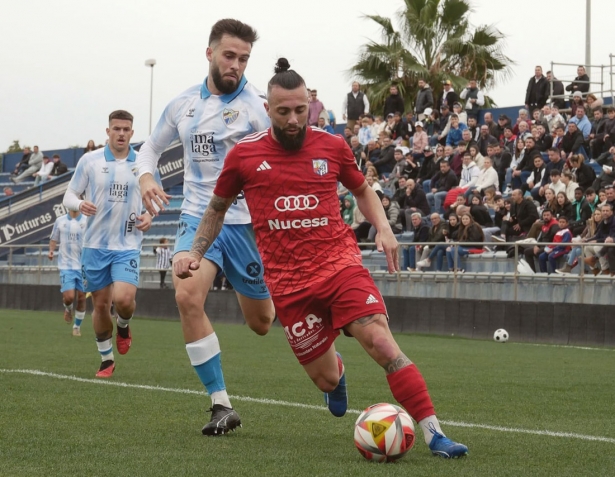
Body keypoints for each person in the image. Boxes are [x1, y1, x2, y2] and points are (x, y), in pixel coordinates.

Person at [175, 59, 468, 458]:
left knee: (381, 343)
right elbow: (217, 208)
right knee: (327, 380)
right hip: (290, 285)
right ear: (268, 109)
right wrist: (195, 252)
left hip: (339, 265)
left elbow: (363, 190)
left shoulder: (331, 146)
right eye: (284, 112)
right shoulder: (244, 156)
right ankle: (338, 372)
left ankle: (435, 434)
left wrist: (383, 228)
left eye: (300, 110)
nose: (294, 119)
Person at [136, 19, 276, 435]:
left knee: (262, 322)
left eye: (244, 58)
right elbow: (151, 149)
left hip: (247, 224)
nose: (236, 64)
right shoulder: (182, 105)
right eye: (229, 55)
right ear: (210, 52)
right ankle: (220, 403)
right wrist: (146, 177)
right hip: (198, 216)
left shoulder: (258, 108)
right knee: (186, 295)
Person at [63, 109, 152, 378]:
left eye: (126, 129)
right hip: (95, 247)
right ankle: (106, 359)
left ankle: (123, 325)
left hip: (127, 245)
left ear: (132, 133)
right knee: (100, 305)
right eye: (116, 129)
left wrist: (149, 215)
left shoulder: (143, 163)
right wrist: (79, 203)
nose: (121, 133)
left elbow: (153, 198)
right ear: (108, 131)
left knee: (124, 300)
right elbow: (69, 194)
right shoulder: (89, 161)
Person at [48, 209, 88, 336]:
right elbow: (53, 238)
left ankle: (77, 327)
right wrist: (51, 251)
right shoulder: (60, 221)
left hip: (83, 266)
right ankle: (68, 308)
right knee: (69, 297)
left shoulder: (87, 220)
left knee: (82, 297)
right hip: (66, 265)